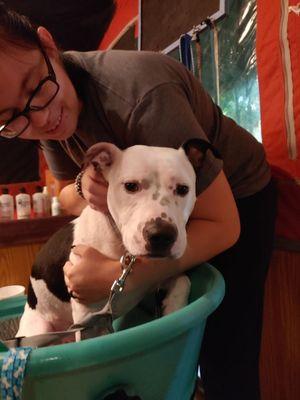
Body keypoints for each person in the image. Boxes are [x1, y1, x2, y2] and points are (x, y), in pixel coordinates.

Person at [0, 4, 277, 400]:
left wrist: (119, 275)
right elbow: (66, 194)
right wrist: (86, 187)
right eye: (11, 119)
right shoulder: (45, 112)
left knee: (224, 356)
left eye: (35, 86)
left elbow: (225, 225)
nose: (41, 118)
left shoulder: (140, 94)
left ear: (47, 44)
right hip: (158, 215)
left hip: (236, 198)